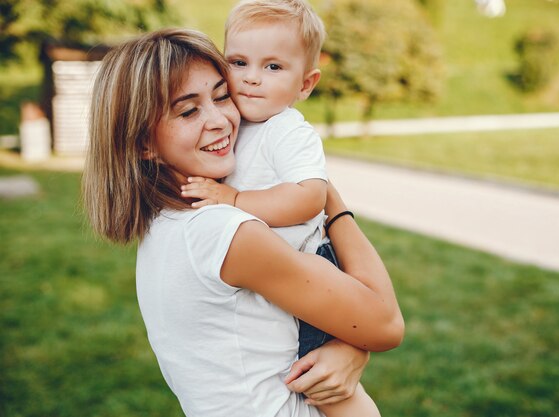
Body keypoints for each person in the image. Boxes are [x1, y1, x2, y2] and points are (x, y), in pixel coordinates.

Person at [82, 28, 404, 417]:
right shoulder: (222, 233)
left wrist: (347, 347)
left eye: (221, 96)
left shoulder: (168, 225)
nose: (219, 120)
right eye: (188, 111)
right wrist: (329, 198)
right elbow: (385, 323)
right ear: (142, 144)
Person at [176, 1, 383, 415]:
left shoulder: (288, 130)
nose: (252, 78)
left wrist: (234, 201)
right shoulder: (235, 121)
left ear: (306, 84)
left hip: (309, 262)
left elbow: (310, 195)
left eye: (273, 67)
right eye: (238, 62)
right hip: (277, 271)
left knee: (323, 379)